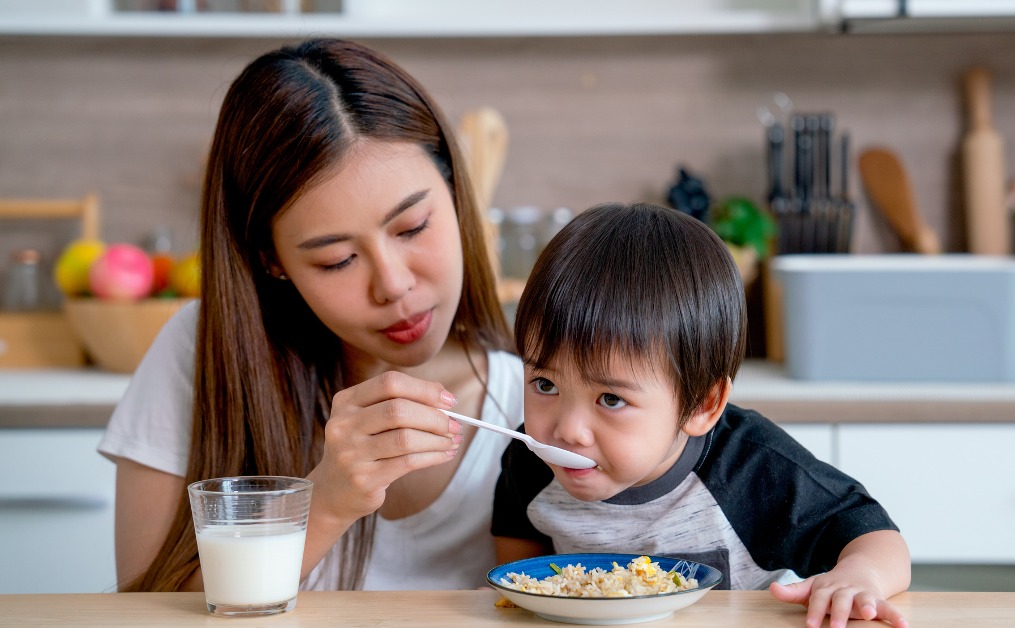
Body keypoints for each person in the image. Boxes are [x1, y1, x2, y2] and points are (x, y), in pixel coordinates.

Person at [99, 38, 523, 592]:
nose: (393, 285)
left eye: (413, 227)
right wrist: (323, 502)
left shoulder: (539, 393)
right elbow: (138, 613)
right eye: (337, 259)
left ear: (455, 190)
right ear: (272, 261)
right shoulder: (199, 353)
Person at [492, 202, 911, 628]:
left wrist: (860, 577)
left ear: (702, 404)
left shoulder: (755, 468)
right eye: (545, 384)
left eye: (611, 399)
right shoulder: (528, 460)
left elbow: (877, 537)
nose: (567, 431)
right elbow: (520, 577)